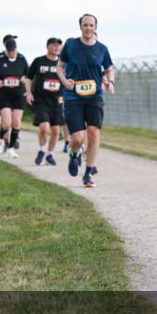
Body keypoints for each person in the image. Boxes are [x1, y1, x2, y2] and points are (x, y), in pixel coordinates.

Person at [57, 14, 114, 188]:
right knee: (77, 138)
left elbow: (109, 68)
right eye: (85, 25)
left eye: (91, 25)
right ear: (80, 26)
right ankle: (75, 153)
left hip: (95, 95)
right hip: (73, 96)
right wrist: (64, 81)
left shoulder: (102, 49)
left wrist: (110, 81)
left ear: (95, 27)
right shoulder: (71, 45)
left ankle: (88, 174)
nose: (88, 28)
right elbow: (60, 66)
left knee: (94, 132)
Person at [25, 38, 65, 166]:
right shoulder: (39, 61)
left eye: (58, 46)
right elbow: (28, 78)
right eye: (54, 45)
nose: (56, 48)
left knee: (56, 131)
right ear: (47, 47)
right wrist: (29, 93)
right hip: (41, 100)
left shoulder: (63, 63)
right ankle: (42, 150)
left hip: (57, 101)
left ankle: (50, 154)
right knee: (44, 127)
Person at [0, 35, 29, 159]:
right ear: (6, 50)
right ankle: (2, 138)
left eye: (14, 51)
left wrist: (23, 79)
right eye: (10, 51)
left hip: (18, 94)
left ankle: (10, 148)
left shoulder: (22, 59)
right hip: (4, 94)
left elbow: (27, 76)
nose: (12, 53)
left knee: (16, 123)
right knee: (6, 123)